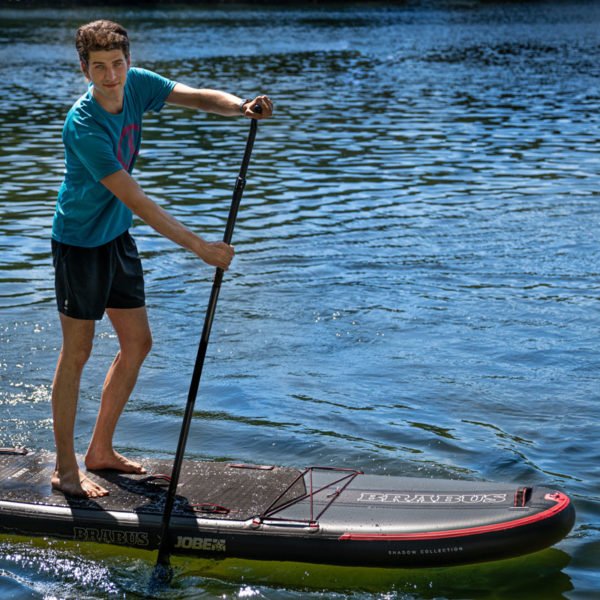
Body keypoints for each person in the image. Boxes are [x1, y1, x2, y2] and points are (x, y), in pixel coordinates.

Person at [50, 19, 273, 498]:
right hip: (80, 244)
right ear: (84, 69)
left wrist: (241, 107)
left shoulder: (139, 84)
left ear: (128, 61)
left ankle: (100, 452)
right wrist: (202, 249)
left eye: (118, 64)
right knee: (78, 352)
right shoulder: (84, 124)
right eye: (99, 68)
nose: (111, 76)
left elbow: (195, 97)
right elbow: (141, 203)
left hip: (116, 238)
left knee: (138, 343)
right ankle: (66, 470)